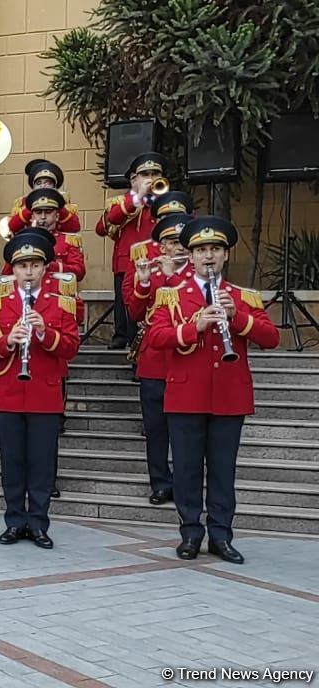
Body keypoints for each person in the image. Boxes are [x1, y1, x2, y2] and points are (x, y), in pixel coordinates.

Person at [148, 216, 279, 563]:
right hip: (185, 396)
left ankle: (221, 535)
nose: (209, 256)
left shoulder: (242, 296)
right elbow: (155, 338)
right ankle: (190, 532)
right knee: (188, 470)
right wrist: (195, 327)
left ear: (225, 256)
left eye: (215, 249)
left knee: (223, 471)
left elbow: (271, 338)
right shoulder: (171, 296)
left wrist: (237, 318)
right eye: (202, 250)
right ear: (190, 257)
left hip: (229, 396)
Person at [0, 229, 80, 549]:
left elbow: (70, 347)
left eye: (35, 265)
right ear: (13, 269)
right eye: (22, 266)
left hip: (45, 394)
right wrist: (8, 340)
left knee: (40, 464)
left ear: (44, 268)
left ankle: (38, 522)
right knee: (11, 462)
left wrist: (43, 332)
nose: (28, 272)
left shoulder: (60, 304)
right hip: (8, 392)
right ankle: (14, 520)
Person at [123, 196, 195, 506]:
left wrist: (172, 275)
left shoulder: (199, 273)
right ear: (161, 246)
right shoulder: (147, 267)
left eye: (182, 242)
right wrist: (144, 280)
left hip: (187, 359)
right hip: (154, 360)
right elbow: (135, 312)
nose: (177, 248)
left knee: (187, 429)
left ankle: (185, 481)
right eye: (170, 242)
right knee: (155, 428)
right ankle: (160, 482)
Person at [98, 153, 165, 349]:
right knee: (124, 302)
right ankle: (122, 336)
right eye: (145, 174)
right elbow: (102, 228)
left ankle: (144, 341)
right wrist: (136, 199)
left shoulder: (166, 201)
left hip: (157, 260)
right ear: (134, 179)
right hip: (127, 262)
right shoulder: (120, 202)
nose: (151, 178)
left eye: (155, 174)